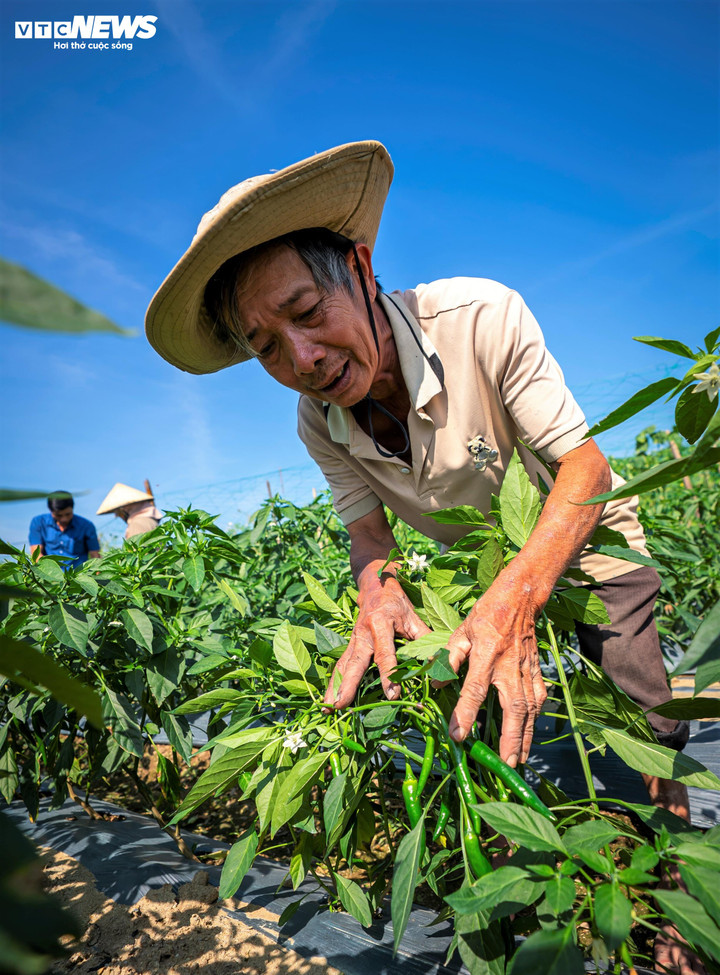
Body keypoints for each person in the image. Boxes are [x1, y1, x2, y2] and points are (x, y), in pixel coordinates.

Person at [145, 143, 701, 973]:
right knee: (485, 727)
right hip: (474, 576)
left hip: (585, 544)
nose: (301, 359)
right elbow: (371, 538)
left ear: (361, 268)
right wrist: (377, 594)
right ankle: (531, 893)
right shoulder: (315, 419)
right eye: (265, 345)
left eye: (306, 311)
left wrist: (520, 596)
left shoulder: (480, 315)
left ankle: (676, 912)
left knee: (643, 713)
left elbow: (586, 467)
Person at [28, 492, 100, 570]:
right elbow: (36, 554)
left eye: (68, 514)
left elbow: (95, 556)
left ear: (72, 509)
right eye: (59, 515)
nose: (64, 519)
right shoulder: (39, 523)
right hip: (50, 575)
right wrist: (49, 574)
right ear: (51, 511)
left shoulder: (86, 526)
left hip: (78, 576)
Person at [96, 483, 162, 539]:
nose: (117, 515)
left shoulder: (137, 524)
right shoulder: (148, 520)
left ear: (127, 508)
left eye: (119, 511)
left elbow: (138, 552)